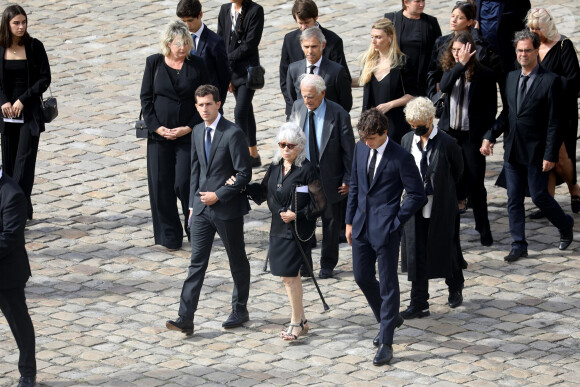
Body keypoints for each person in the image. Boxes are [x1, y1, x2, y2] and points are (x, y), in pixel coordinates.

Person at [480, 30, 574, 262]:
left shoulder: (550, 81)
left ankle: (565, 224)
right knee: (513, 199)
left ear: (535, 51)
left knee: (540, 197)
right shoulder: (511, 77)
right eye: (519, 50)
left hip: (537, 151)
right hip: (513, 150)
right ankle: (518, 244)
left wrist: (550, 154)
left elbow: (555, 122)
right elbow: (508, 114)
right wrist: (490, 136)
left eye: (527, 51)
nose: (523, 54)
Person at [166, 84, 252, 335]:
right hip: (202, 210)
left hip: (227, 210)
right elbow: (195, 171)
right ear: (196, 107)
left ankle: (240, 308)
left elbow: (244, 173)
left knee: (237, 260)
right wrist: (193, 206)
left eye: (208, 104)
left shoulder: (232, 133)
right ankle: (186, 317)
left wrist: (220, 194)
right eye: (200, 105)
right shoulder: (196, 132)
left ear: (218, 104)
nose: (204, 109)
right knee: (196, 264)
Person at [346, 108, 426, 366]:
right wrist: (349, 222)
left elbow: (417, 195)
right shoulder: (360, 149)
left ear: (384, 133)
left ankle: (387, 339)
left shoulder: (401, 157)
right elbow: (356, 187)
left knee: (389, 284)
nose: (366, 142)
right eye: (364, 138)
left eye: (371, 138)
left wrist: (396, 221)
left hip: (387, 229)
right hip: (360, 226)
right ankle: (389, 318)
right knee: (361, 276)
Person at [235, 123, 326, 340]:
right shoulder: (275, 166)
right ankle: (302, 320)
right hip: (278, 229)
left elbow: (320, 203)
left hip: (297, 230)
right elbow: (264, 192)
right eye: (282, 144)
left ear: (300, 146)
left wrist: (298, 214)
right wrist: (241, 186)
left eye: (290, 145)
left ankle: (295, 322)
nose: (285, 149)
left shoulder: (307, 169)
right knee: (287, 276)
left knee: (289, 275)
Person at [140, 20, 209, 251]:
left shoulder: (197, 65)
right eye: (180, 44)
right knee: (161, 185)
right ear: (169, 43)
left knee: (184, 183)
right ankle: (169, 236)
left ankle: (195, 228)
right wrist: (157, 127)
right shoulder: (154, 63)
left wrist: (188, 127)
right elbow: (146, 99)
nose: (184, 48)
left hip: (187, 134)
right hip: (159, 136)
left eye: (187, 43)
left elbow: (204, 100)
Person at [400, 97, 466, 319]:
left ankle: (455, 285)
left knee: (446, 248)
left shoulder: (447, 143)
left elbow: (458, 172)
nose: (415, 129)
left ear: (430, 119)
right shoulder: (407, 139)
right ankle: (419, 302)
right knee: (416, 252)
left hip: (440, 207)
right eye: (411, 125)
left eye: (419, 124)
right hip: (414, 207)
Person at [290, 74, 355, 279]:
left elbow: (349, 151)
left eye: (310, 96)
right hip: (303, 176)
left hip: (330, 178)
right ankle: (305, 263)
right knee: (302, 217)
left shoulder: (338, 114)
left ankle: (327, 263)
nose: (306, 100)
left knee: (330, 222)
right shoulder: (298, 108)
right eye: (303, 95)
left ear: (323, 93)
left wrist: (348, 179)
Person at [439, 31, 496, 246]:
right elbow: (443, 87)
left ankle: (483, 227)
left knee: (476, 183)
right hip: (449, 134)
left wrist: (487, 137)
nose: (456, 55)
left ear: (470, 50)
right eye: (454, 50)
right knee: (448, 183)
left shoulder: (485, 75)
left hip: (471, 136)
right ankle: (448, 231)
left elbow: (491, 110)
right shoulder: (448, 69)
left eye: (460, 51)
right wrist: (458, 66)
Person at [524, 8, 580, 219]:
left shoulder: (563, 46)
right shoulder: (530, 47)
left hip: (560, 112)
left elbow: (573, 81)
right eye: (531, 28)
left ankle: (574, 188)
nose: (534, 31)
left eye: (537, 28)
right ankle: (547, 202)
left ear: (547, 26)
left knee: (560, 156)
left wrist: (548, 87)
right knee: (544, 157)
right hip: (538, 113)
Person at [0, 4, 51, 221]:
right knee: (9, 165)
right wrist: (4, 101)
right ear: (7, 24)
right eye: (16, 23)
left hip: (28, 114)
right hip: (6, 115)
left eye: (24, 22)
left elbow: (44, 78)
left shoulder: (34, 46)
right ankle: (16, 210)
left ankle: (17, 213)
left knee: (24, 165)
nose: (21, 27)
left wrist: (23, 99)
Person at [426, 0, 504, 108]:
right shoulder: (441, 42)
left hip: (470, 98)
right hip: (446, 97)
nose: (453, 20)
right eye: (452, 16)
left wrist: (475, 34)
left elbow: (480, 60)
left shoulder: (479, 43)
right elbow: (432, 71)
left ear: (469, 22)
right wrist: (433, 94)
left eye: (460, 18)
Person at [280, 0, 350, 118]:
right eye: (300, 23)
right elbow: (285, 79)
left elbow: (343, 80)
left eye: (307, 22)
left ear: (316, 17)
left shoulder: (333, 41)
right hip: (298, 113)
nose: (303, 27)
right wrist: (294, 109)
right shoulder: (289, 40)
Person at [0, 168, 36, 387]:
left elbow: (10, 238)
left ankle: (28, 373)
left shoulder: (12, 194)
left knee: (19, 324)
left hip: (6, 274)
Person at [217, 0, 264, 167]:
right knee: (246, 109)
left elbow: (250, 45)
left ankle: (241, 157)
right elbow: (220, 40)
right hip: (231, 71)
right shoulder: (224, 10)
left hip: (247, 72)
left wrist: (227, 60)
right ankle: (253, 154)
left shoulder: (255, 10)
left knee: (240, 111)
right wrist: (226, 70)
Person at [358, 18, 417, 144]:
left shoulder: (403, 62)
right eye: (372, 37)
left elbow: (412, 94)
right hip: (371, 123)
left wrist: (390, 104)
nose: (373, 41)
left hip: (395, 122)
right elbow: (362, 82)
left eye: (378, 37)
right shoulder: (368, 60)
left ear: (390, 37)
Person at [285, 27, 352, 118]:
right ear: (301, 45)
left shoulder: (336, 71)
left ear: (323, 45)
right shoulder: (293, 69)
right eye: (306, 47)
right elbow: (292, 99)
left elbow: (346, 103)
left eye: (314, 46)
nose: (310, 51)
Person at [176, 0, 231, 111]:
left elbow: (224, 75)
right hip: (185, 102)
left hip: (207, 103)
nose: (187, 25)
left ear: (200, 15)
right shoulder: (177, 39)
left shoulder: (214, 42)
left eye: (190, 20)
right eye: (183, 21)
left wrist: (217, 103)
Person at [384, 0, 442, 96]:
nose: (422, 4)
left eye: (423, 1)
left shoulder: (431, 22)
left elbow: (439, 52)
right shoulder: (391, 20)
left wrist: (439, 79)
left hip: (423, 82)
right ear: (406, 2)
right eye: (417, 1)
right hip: (397, 79)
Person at [474, 0, 531, 73]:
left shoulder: (517, 2)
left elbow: (525, 28)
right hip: (481, 56)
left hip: (505, 57)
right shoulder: (475, 1)